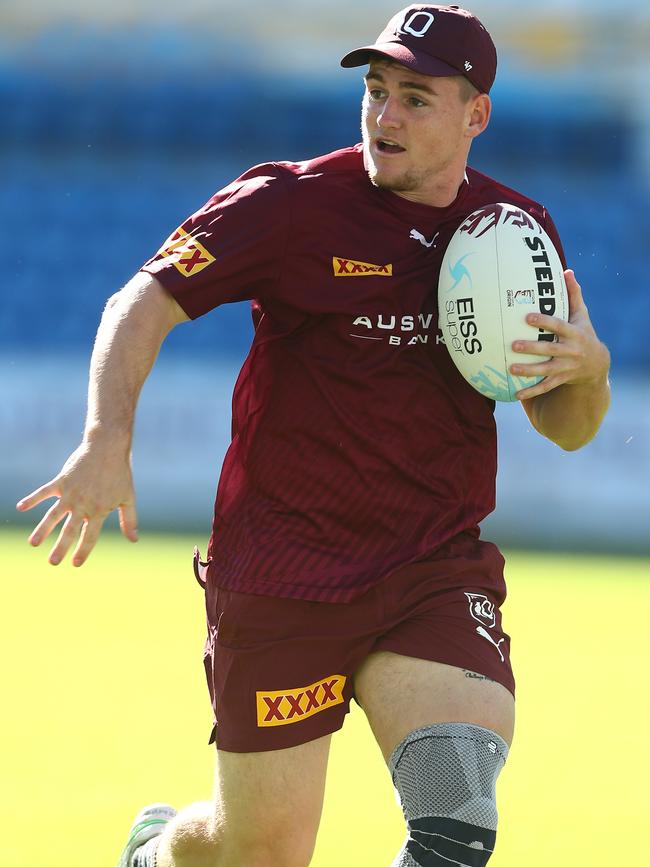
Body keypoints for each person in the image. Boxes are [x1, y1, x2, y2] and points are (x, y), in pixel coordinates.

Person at [17, 4, 611, 866]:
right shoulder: (290, 204)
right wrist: (107, 435)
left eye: (415, 97)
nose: (384, 114)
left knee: (457, 825)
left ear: (475, 114)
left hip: (430, 569)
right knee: (256, 852)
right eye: (375, 90)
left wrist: (586, 369)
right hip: (285, 570)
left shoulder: (515, 235)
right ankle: (154, 852)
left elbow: (566, 428)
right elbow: (139, 301)